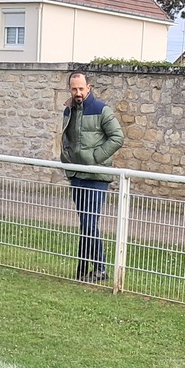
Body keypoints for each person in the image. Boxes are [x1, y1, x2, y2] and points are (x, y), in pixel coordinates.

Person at [58, 70, 124, 283]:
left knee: (89, 222)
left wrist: (95, 158)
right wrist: (66, 158)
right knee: (86, 223)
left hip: (96, 177)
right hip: (76, 174)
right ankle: (83, 267)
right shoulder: (68, 110)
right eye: (74, 89)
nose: (78, 92)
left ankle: (100, 268)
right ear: (70, 89)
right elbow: (67, 139)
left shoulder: (102, 110)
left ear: (89, 88)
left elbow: (117, 137)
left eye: (81, 88)